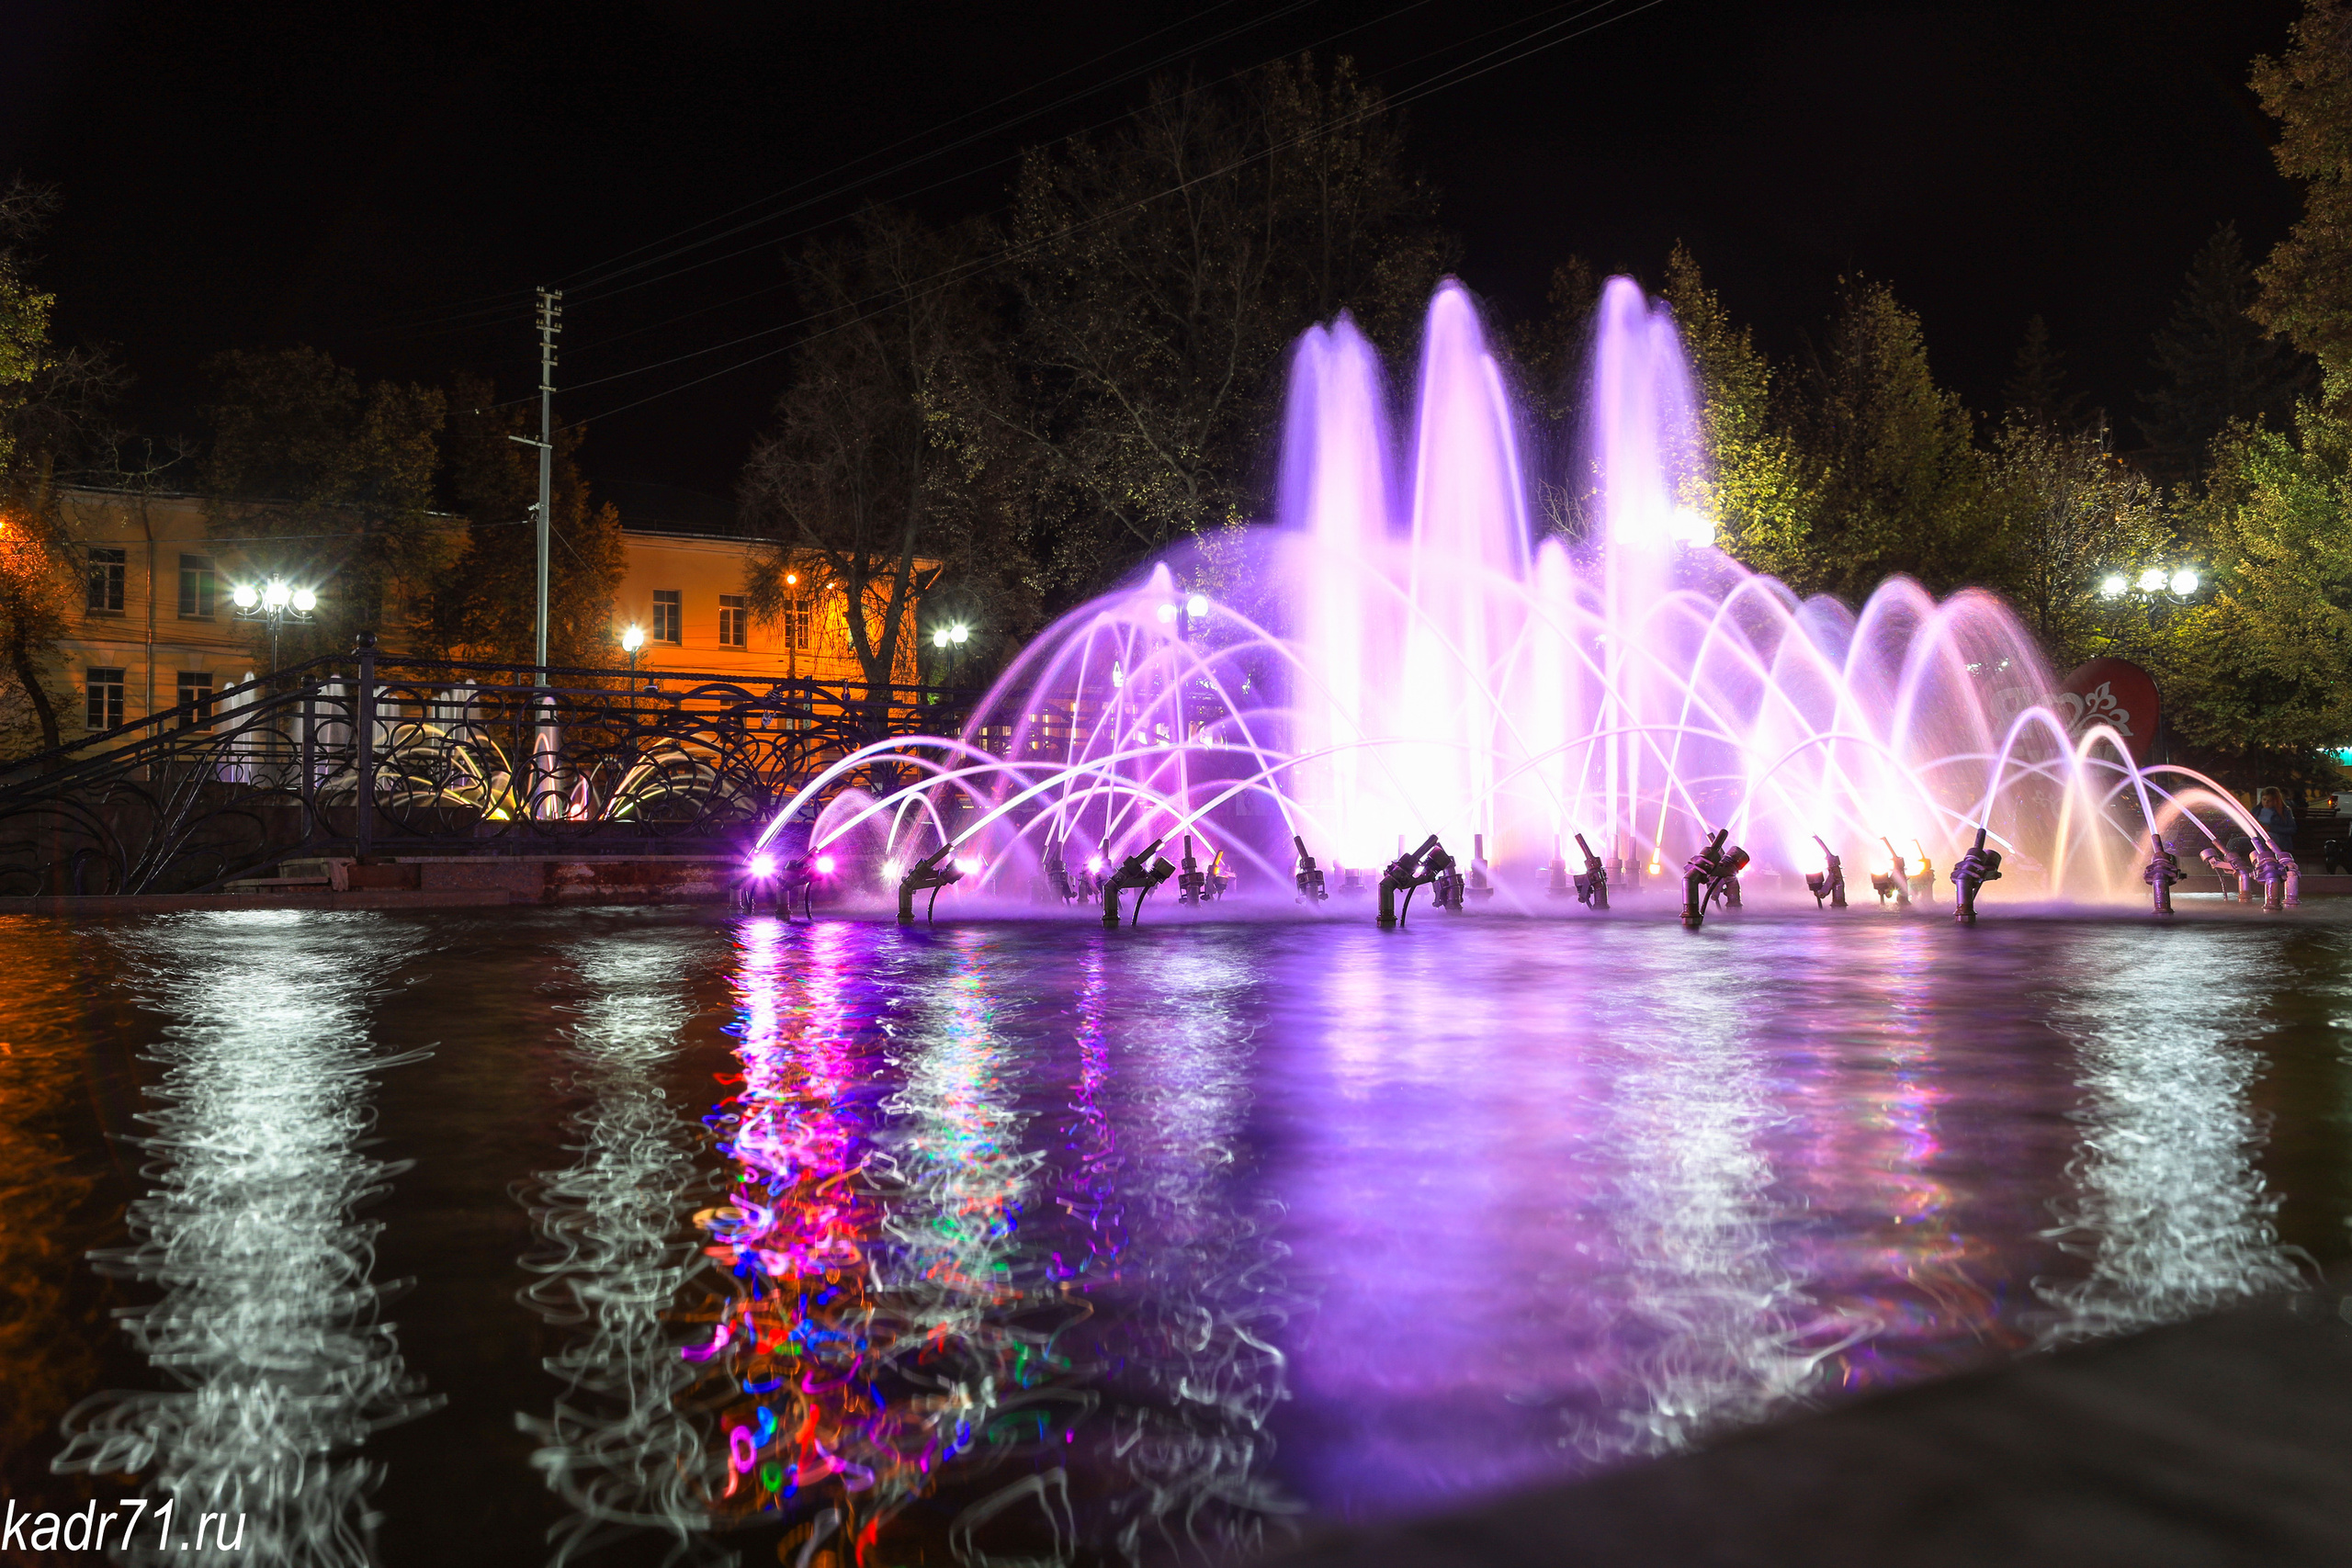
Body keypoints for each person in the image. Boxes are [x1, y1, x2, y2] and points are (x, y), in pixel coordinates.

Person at [2254, 786, 2299, 862]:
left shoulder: (2284, 811)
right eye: (2264, 799)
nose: (2266, 803)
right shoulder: (2256, 810)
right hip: (2256, 837)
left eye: (2269, 800)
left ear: (2276, 801)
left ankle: (2266, 861)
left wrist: (2270, 828)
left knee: (2264, 840)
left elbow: (2292, 829)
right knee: (2235, 842)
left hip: (2277, 839)